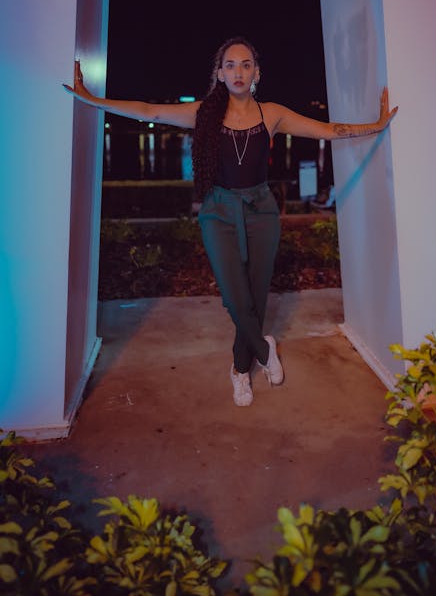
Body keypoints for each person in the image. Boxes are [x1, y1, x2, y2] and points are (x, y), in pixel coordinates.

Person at [63, 36, 397, 407]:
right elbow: (148, 110)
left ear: (257, 73)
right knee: (235, 297)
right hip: (218, 210)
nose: (238, 72)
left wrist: (377, 124)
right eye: (231, 65)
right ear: (219, 74)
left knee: (254, 296)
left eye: (246, 65)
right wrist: (90, 98)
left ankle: (240, 370)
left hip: (261, 211)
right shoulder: (204, 113)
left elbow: (328, 130)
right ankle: (265, 350)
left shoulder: (273, 114)